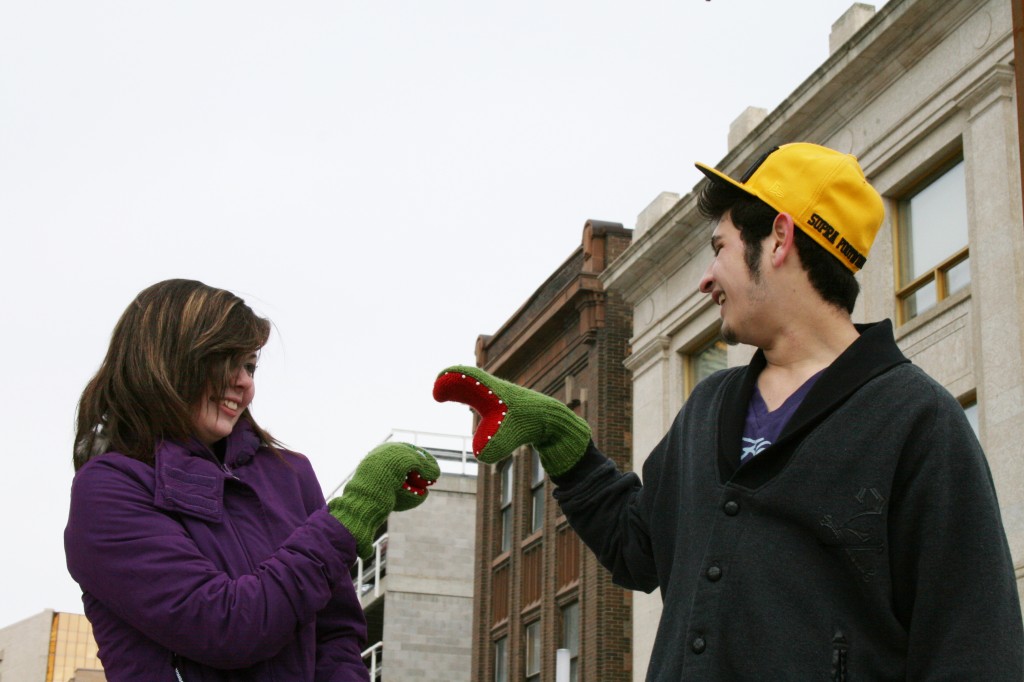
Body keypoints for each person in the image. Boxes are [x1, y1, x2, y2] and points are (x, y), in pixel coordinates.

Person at [434, 143, 1024, 680]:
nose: (705, 279)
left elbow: (975, 650)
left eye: (719, 248)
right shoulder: (709, 407)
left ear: (779, 239)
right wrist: (559, 436)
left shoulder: (918, 420)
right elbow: (638, 548)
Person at [65, 279, 440, 681]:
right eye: (227, 362)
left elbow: (336, 635)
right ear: (167, 361)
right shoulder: (108, 492)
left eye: (250, 366)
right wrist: (351, 515)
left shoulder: (290, 474)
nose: (244, 382)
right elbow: (225, 628)